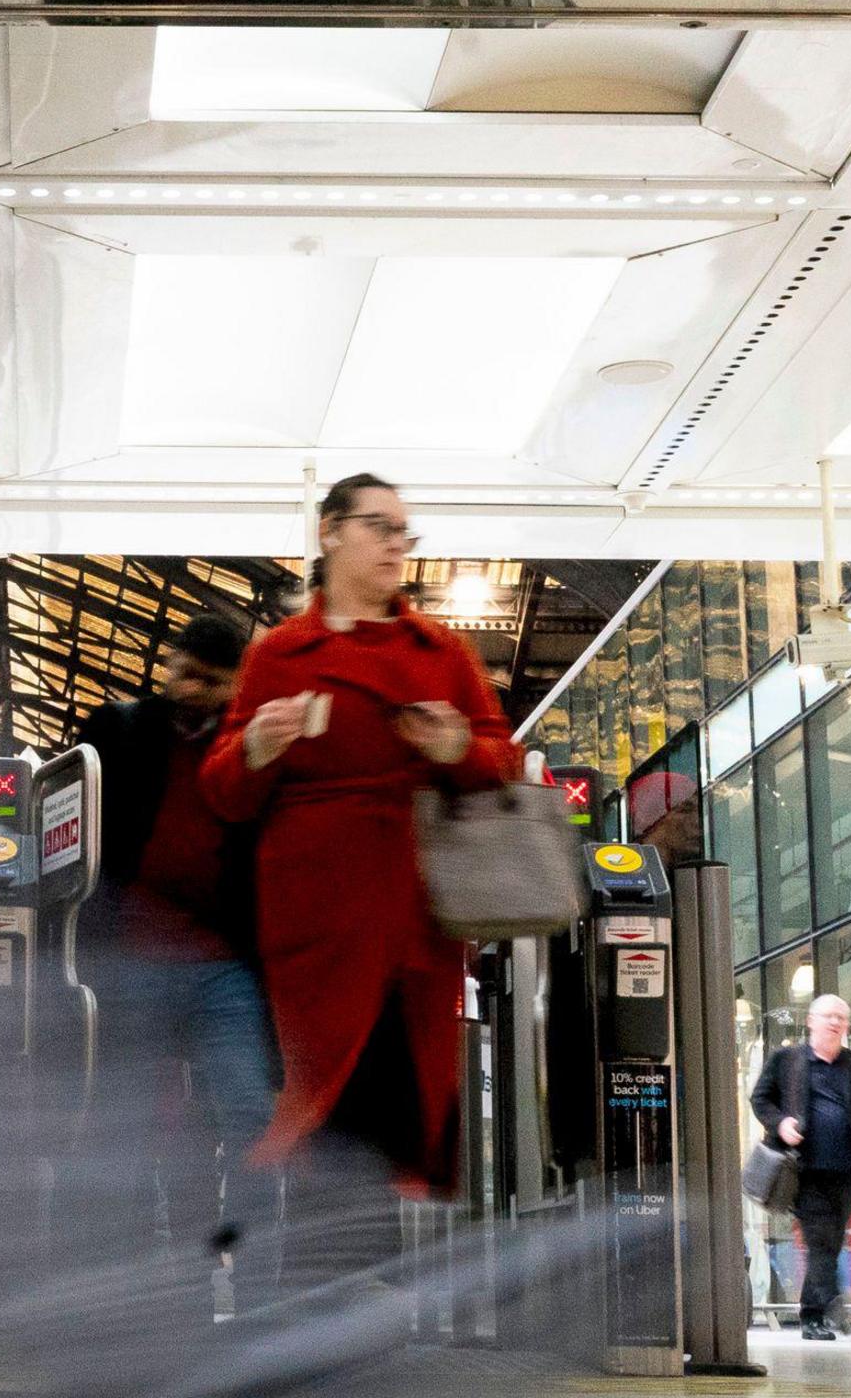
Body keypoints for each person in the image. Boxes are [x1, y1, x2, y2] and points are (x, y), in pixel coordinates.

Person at [201, 475, 522, 1283]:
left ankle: (357, 1327)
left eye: (405, 533)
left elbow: (502, 761)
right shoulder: (277, 654)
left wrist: (455, 752)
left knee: (387, 1123)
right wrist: (257, 750)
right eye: (380, 527)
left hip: (414, 924)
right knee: (317, 1115)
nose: (395, 546)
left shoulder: (440, 652)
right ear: (330, 532)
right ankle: (315, 1316)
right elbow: (224, 793)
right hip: (314, 929)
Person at [70, 611, 278, 1282]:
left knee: (248, 1112)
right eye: (183, 672)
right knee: (128, 1124)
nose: (190, 690)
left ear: (236, 686)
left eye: (209, 682)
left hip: (224, 963)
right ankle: (132, 1274)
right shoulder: (120, 732)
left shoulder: (254, 748)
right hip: (134, 958)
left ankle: (251, 1271)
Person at [751, 995, 851, 1340]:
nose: (835, 1022)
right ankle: (826, 1308)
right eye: (828, 1016)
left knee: (830, 1244)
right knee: (820, 1239)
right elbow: (760, 1099)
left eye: (841, 1017)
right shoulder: (787, 1060)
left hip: (847, 1171)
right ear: (811, 1021)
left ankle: (816, 1314)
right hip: (803, 1171)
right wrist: (780, 1124)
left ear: (847, 1026)